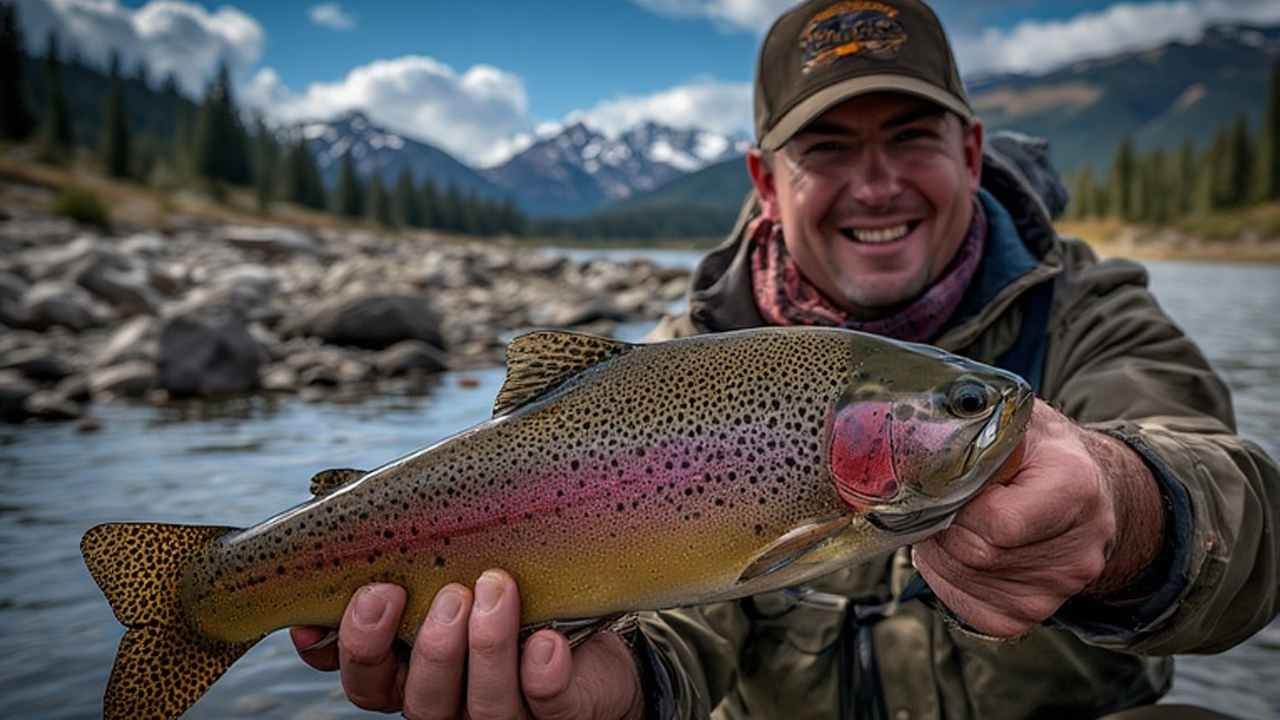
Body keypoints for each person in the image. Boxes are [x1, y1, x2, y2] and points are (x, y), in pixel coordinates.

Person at [291, 1, 1280, 717]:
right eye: (828, 149)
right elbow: (682, 632)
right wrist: (606, 695)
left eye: (909, 137)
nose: (876, 183)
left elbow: (1245, 519)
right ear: (767, 180)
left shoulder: (1088, 312)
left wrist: (1122, 503)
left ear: (971, 154)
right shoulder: (684, 369)